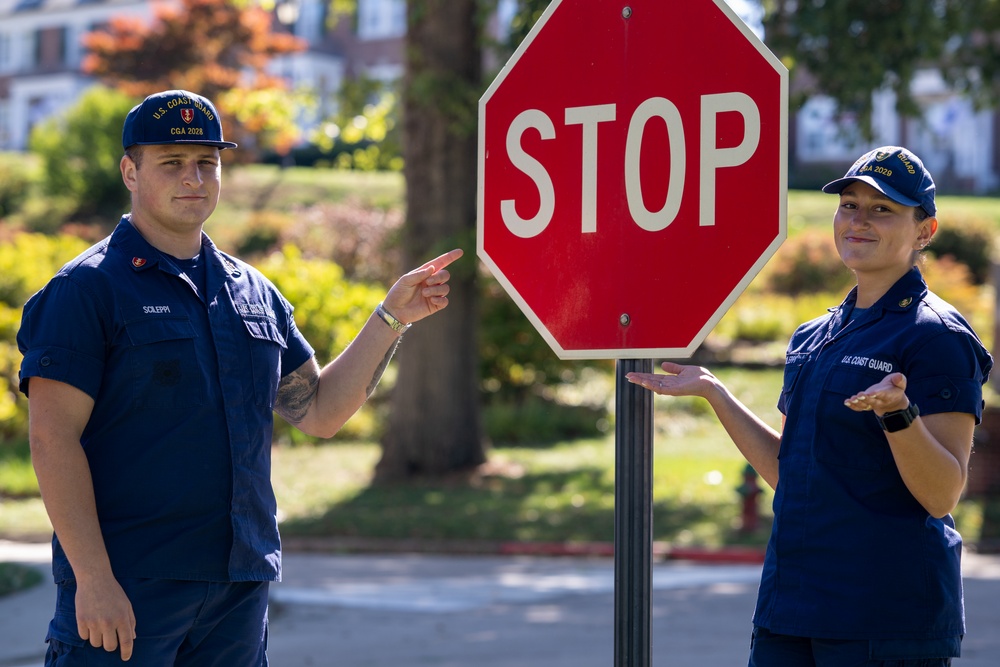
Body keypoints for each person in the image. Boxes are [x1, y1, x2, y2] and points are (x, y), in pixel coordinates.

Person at [17, 89, 462, 665]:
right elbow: (52, 441)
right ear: (131, 171)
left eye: (207, 162)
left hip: (237, 589)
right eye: (171, 163)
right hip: (129, 586)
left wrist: (392, 317)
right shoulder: (86, 289)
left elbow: (320, 411)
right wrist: (94, 580)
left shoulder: (250, 291)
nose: (193, 178)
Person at [627, 146, 992, 666]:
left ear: (924, 231)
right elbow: (792, 472)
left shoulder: (936, 336)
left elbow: (942, 493)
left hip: (882, 617)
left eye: (883, 209)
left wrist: (898, 414)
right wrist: (716, 392)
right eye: (849, 205)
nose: (859, 221)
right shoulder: (815, 334)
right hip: (791, 606)